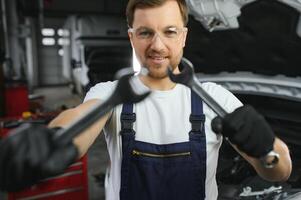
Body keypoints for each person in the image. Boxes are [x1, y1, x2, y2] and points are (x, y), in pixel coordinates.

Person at [0, 0, 292, 199]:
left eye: (169, 32)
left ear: (184, 37)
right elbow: (76, 122)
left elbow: (279, 169)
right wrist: (53, 140)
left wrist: (266, 148)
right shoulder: (109, 95)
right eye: (145, 32)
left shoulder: (215, 98)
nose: (157, 45)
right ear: (131, 37)